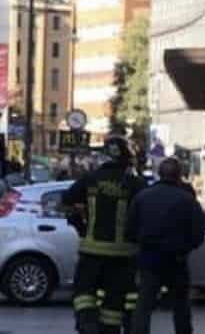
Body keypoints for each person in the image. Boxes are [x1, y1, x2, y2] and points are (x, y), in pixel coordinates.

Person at [63, 135, 146, 334]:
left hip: (91, 251)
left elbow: (66, 201)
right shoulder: (136, 184)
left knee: (84, 293)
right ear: (127, 159)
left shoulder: (90, 180)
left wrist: (80, 225)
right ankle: (109, 330)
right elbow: (144, 215)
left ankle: (87, 323)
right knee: (114, 300)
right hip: (123, 255)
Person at [127, 157, 205, 334]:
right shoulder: (187, 199)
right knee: (181, 306)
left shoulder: (143, 197)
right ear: (179, 175)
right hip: (176, 260)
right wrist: (185, 248)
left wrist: (142, 245)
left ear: (159, 174)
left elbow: (130, 229)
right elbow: (199, 232)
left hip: (149, 258)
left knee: (144, 305)